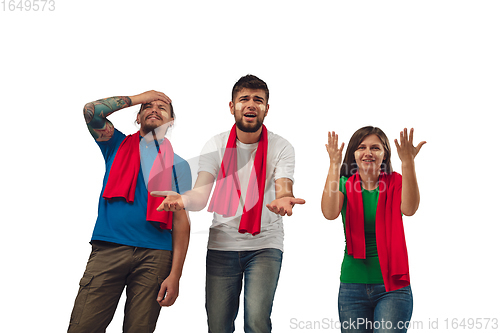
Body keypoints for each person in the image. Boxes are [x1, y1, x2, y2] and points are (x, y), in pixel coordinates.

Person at [152, 75, 305, 332]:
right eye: (244, 99)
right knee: (218, 325)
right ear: (232, 106)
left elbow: (284, 187)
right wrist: (184, 200)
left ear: (267, 108)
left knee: (257, 321)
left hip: (265, 244)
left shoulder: (281, 146)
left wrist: (283, 199)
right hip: (222, 245)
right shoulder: (217, 144)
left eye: (258, 100)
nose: (251, 105)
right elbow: (201, 195)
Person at [68, 91, 192, 333]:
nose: (154, 109)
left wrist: (175, 275)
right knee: (83, 327)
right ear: (138, 116)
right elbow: (91, 111)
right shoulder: (115, 144)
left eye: (162, 108)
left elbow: (181, 223)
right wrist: (140, 96)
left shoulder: (180, 165)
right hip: (109, 249)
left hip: (156, 256)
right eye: (148, 106)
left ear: (171, 121)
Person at [321, 126, 426, 333]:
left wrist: (408, 162)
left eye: (375, 148)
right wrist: (334, 165)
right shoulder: (343, 184)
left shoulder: (396, 183)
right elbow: (329, 212)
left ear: (385, 154)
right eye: (362, 147)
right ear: (354, 153)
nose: (368, 152)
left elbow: (410, 208)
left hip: (393, 287)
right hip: (352, 286)